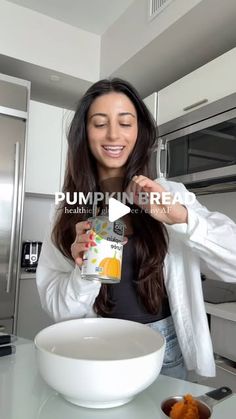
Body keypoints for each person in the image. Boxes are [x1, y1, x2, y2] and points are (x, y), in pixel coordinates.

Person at [36, 78, 236, 380]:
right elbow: (60, 310)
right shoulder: (69, 210)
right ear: (84, 134)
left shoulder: (170, 194)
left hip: (164, 350)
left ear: (139, 132)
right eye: (100, 123)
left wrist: (179, 217)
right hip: (95, 345)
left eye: (125, 123)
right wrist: (84, 272)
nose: (114, 134)